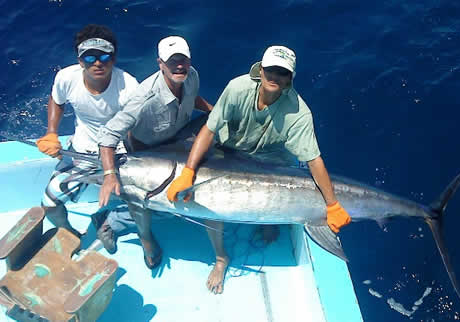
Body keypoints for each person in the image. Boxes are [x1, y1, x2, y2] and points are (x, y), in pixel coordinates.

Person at [166, 45, 352, 294]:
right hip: (229, 150)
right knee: (210, 201)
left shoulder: (299, 112)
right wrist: (188, 171)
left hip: (271, 158)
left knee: (273, 200)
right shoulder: (237, 88)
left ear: (290, 79)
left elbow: (313, 160)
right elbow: (209, 130)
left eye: (282, 73)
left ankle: (268, 221)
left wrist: (332, 204)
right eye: (271, 70)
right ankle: (221, 258)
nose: (275, 76)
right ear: (260, 71)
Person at [96, 36, 212, 269]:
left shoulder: (192, 75)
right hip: (147, 152)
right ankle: (122, 226)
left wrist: (213, 110)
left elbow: (192, 98)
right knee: (159, 204)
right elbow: (108, 136)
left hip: (177, 140)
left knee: (216, 124)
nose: (179, 65)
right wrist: (109, 174)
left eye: (183, 59)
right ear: (160, 63)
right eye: (172, 61)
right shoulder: (143, 98)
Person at [36, 24, 138, 237]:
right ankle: (69, 235)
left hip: (120, 156)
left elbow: (134, 130)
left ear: (114, 58)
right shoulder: (66, 78)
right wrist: (51, 132)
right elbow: (56, 101)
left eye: (104, 57)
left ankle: (112, 221)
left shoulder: (129, 86)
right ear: (80, 60)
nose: (98, 63)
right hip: (82, 154)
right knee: (50, 205)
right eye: (90, 57)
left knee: (149, 200)